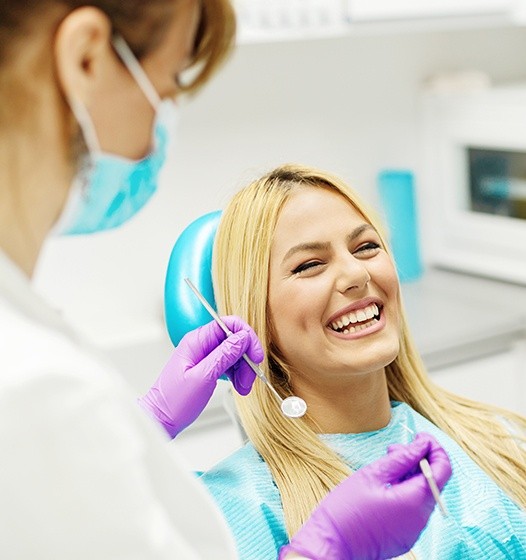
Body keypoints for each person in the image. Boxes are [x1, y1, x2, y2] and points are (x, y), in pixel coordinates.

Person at [0, 1, 451, 559]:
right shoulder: (34, 387)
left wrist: (146, 423)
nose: (355, 275)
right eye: (166, 87)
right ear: (87, 59)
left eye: (365, 247)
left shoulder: (492, 443)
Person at [190, 163, 526, 559]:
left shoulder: (500, 440)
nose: (355, 273)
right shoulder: (229, 511)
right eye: (309, 265)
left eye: (366, 247)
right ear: (253, 316)